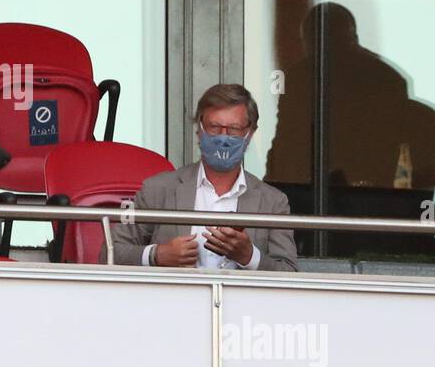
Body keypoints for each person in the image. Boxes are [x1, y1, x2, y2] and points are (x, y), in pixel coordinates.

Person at [106, 83, 298, 270]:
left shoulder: (273, 202)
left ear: (250, 133)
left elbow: (289, 273)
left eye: (233, 129)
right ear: (199, 129)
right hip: (172, 301)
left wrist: (249, 256)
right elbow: (110, 253)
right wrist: (157, 255)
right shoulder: (157, 189)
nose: (223, 137)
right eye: (214, 127)